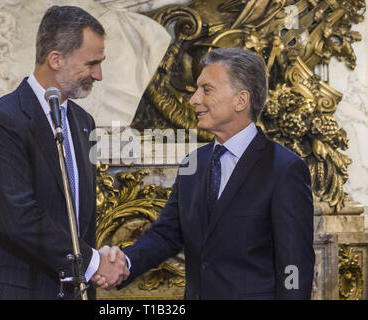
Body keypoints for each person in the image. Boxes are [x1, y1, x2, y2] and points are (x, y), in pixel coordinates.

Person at [99, 47, 315, 299]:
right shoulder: (194, 164)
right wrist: (126, 261)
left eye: (206, 89)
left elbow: (295, 265)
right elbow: (167, 234)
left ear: (240, 100)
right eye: (196, 89)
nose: (194, 100)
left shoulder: (284, 169)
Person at [0, 5, 128, 300]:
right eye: (92, 63)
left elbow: (79, 217)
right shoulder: (2, 119)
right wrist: (92, 262)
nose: (99, 74)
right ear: (56, 59)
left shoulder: (82, 123)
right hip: (14, 290)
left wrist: (94, 264)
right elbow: (18, 217)